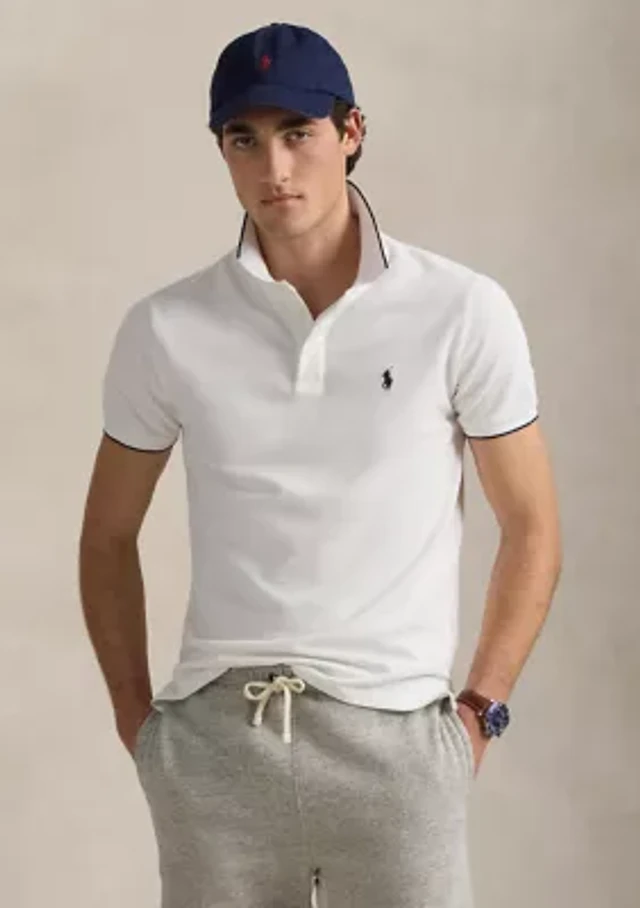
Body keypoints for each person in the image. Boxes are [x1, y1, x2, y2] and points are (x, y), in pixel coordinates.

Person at [79, 21, 562, 908]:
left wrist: (479, 712)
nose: (275, 168)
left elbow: (531, 524)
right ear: (222, 150)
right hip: (216, 747)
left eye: (298, 133)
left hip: (398, 749)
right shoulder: (165, 328)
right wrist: (139, 724)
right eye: (244, 139)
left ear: (351, 132)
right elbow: (107, 534)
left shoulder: (461, 310)